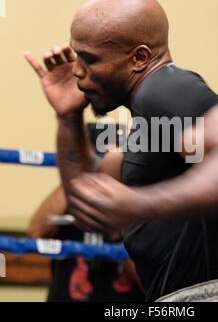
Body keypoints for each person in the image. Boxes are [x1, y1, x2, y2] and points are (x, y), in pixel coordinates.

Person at [24, 0, 218, 302]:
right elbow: (86, 198)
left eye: (90, 59)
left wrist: (141, 204)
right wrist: (68, 118)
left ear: (139, 58)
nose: (77, 70)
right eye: (77, 55)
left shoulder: (166, 87)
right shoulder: (149, 125)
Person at [28, 124, 145, 302]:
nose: (104, 165)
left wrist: (118, 234)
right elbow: (36, 232)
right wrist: (79, 173)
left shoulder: (139, 205)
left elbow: (149, 284)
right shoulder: (71, 199)